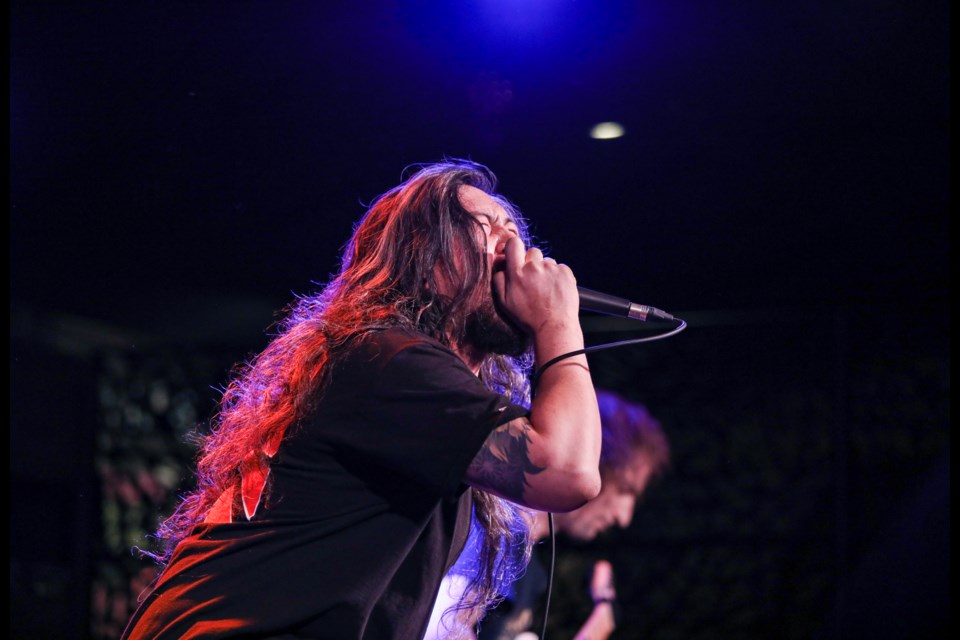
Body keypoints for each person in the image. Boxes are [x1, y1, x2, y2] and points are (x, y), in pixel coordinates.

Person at [120, 159, 603, 639]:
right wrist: (559, 322)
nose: (517, 249)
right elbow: (564, 472)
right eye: (486, 228)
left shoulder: (403, 383)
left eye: (513, 229)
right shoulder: (391, 360)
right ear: (423, 258)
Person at [426, 388, 670, 640]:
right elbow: (442, 628)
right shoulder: (495, 529)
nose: (624, 516)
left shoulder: (532, 573)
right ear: (590, 461)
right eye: (624, 489)